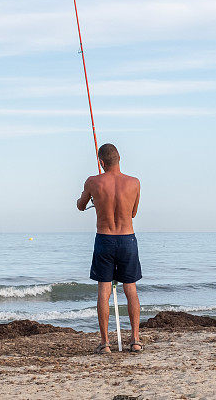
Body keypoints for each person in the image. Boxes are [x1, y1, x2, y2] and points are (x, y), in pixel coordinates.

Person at [77, 143, 143, 354]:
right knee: (130, 289)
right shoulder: (134, 183)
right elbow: (133, 213)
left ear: (101, 162)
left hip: (104, 238)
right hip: (127, 239)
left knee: (104, 290)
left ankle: (105, 343)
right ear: (120, 157)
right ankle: (135, 340)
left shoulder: (92, 181)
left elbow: (80, 205)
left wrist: (94, 198)